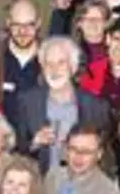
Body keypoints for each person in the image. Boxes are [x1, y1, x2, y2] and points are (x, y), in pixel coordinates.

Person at [12, 37, 109, 173]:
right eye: (48, 64)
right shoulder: (27, 102)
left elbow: (104, 154)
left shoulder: (95, 106)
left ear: (73, 66)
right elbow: (17, 149)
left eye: (61, 63)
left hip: (82, 184)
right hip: (41, 183)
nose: (54, 70)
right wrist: (34, 143)